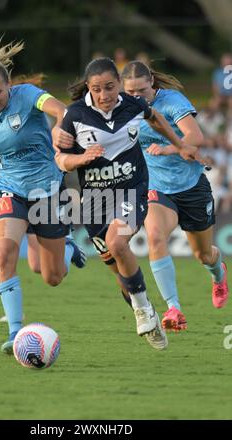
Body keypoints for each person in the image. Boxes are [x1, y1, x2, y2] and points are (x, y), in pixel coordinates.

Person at [54, 57, 198, 350]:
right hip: (95, 201)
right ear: (89, 89)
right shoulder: (75, 115)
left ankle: (144, 311)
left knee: (118, 244)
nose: (104, 95)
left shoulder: (132, 105)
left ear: (119, 84)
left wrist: (180, 144)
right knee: (119, 274)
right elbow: (60, 159)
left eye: (110, 87)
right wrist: (81, 159)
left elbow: (155, 118)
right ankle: (146, 310)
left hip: (132, 190)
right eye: (97, 89)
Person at [0, 40, 86, 354]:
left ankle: (68, 249)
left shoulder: (28, 95)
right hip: (8, 190)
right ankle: (16, 333)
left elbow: (61, 110)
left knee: (50, 276)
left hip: (46, 191)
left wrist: (59, 126)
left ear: (9, 86)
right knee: (2, 255)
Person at [121, 60, 229, 331]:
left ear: (152, 85)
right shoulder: (121, 108)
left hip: (192, 186)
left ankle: (219, 275)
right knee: (155, 236)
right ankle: (173, 309)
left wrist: (169, 148)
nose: (136, 97)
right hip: (156, 187)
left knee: (203, 255)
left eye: (141, 91)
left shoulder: (172, 101)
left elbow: (196, 137)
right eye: (130, 92)